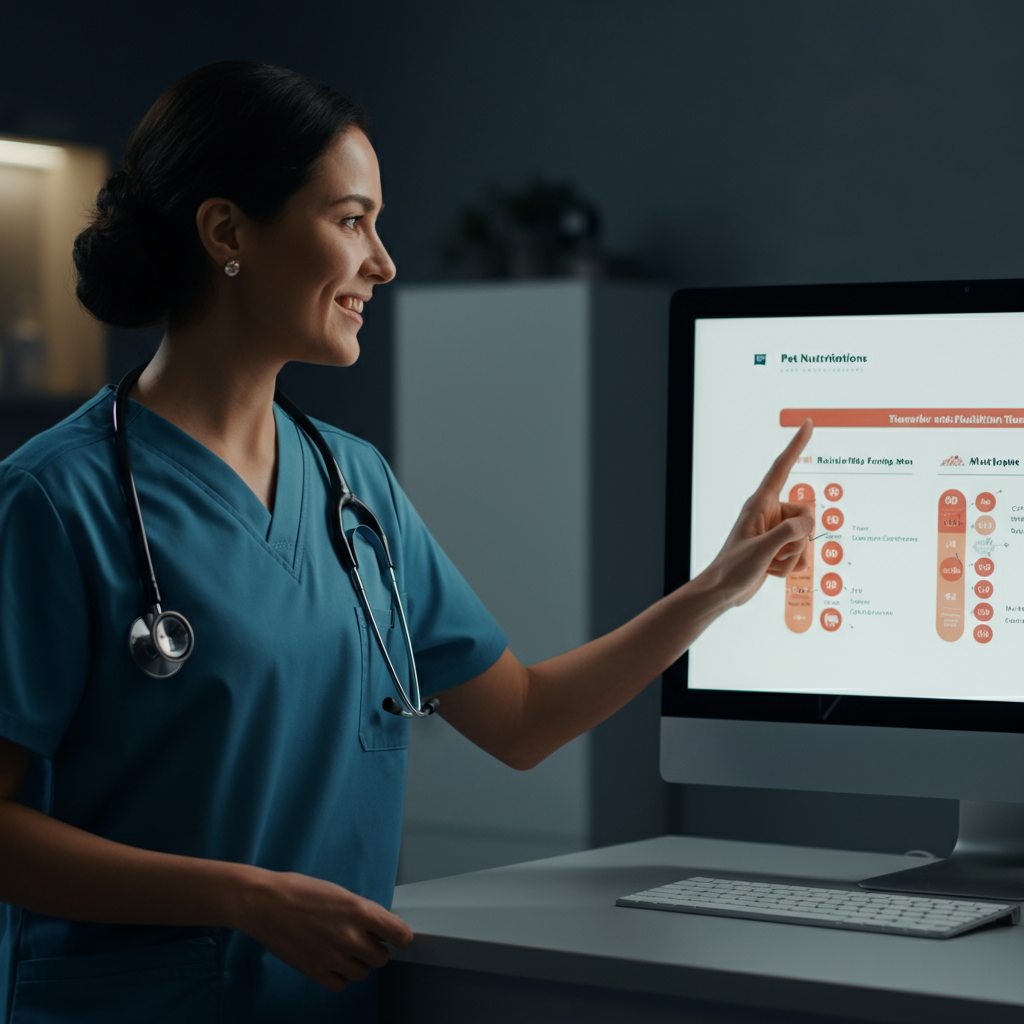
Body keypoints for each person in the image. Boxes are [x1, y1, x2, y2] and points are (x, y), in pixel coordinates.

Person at [0, 61, 814, 1023]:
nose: (382, 262)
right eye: (350, 222)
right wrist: (243, 899)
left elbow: (520, 718)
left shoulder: (354, 486)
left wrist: (716, 588)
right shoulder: (55, 501)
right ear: (227, 233)